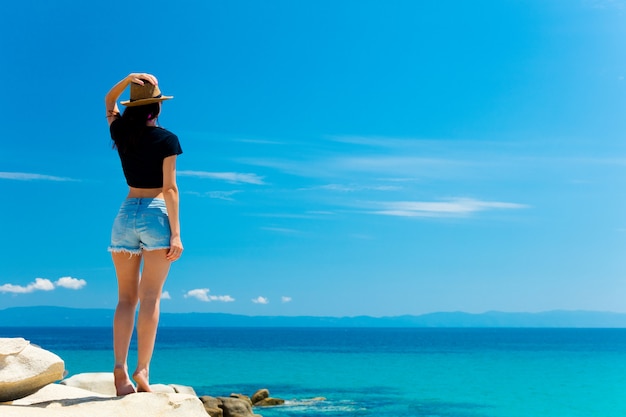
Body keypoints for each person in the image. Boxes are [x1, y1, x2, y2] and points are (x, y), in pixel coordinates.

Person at [104, 73, 183, 396]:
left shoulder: (120, 132)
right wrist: (176, 234)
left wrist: (126, 79)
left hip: (125, 214)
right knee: (150, 298)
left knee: (125, 299)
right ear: (157, 108)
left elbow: (109, 102)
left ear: (134, 107)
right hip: (155, 213)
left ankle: (120, 370)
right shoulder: (167, 139)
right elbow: (170, 189)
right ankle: (142, 370)